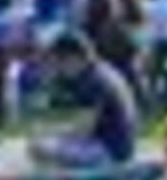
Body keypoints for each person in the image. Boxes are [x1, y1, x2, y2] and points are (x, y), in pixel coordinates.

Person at [30, 29, 139, 171]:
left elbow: (84, 129)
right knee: (49, 144)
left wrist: (49, 132)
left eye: (58, 61)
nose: (57, 68)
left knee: (39, 148)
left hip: (111, 152)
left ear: (73, 58)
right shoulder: (98, 71)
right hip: (118, 146)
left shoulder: (92, 82)